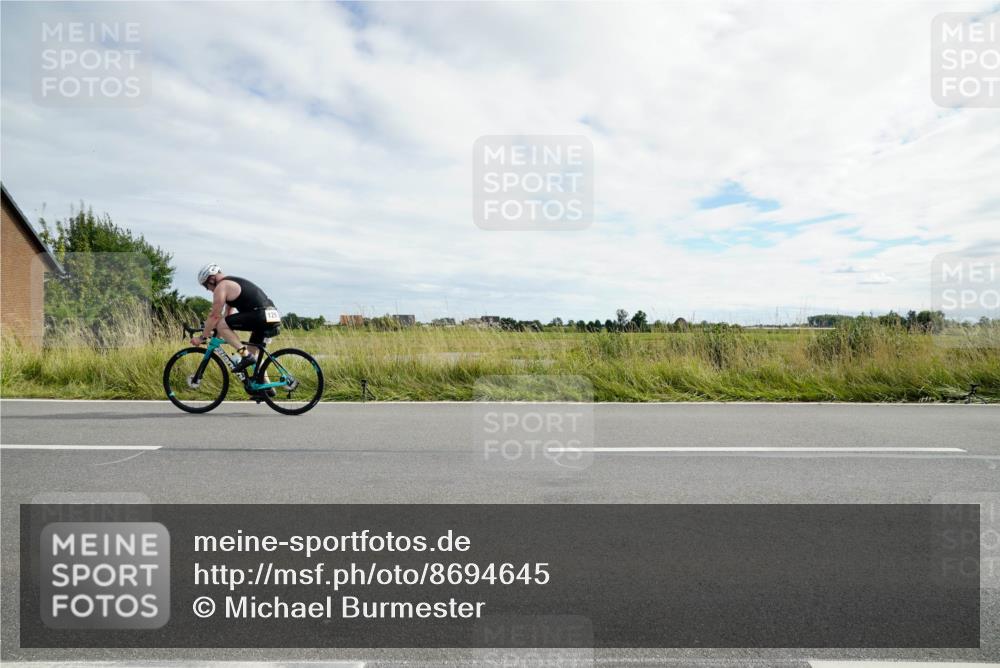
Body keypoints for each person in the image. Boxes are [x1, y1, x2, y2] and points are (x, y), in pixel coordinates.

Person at [193, 263, 280, 394]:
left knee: (246, 354)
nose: (207, 289)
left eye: (206, 285)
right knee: (253, 355)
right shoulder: (231, 283)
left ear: (211, 278)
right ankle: (266, 388)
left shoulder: (221, 286)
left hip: (260, 315)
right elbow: (228, 316)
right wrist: (216, 335)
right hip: (270, 315)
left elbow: (214, 316)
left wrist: (201, 338)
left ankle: (245, 356)